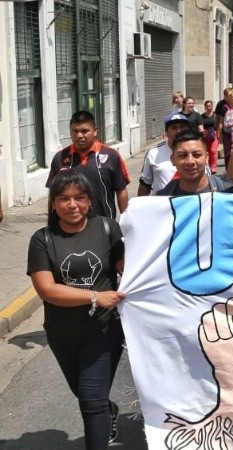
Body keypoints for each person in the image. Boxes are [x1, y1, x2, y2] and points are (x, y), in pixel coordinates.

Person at [27, 169, 126, 448]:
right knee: (83, 393)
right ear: (53, 203)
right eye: (64, 199)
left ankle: (102, 421)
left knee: (91, 402)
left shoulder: (107, 228)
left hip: (103, 329)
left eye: (79, 198)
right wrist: (96, 296)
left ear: (90, 201)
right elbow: (47, 290)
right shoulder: (42, 239)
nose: (72, 205)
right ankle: (110, 411)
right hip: (62, 333)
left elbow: (128, 271)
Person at [46, 111, 130, 219]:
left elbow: (121, 189)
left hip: (102, 225)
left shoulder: (111, 156)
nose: (79, 136)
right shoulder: (60, 158)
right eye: (75, 131)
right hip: (69, 226)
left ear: (95, 131)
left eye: (84, 131)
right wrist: (52, 220)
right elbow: (52, 193)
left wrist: (126, 220)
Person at [156, 129, 233, 196]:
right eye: (183, 155)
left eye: (197, 155)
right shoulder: (160, 201)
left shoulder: (230, 194)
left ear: (206, 158)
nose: (190, 161)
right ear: (173, 160)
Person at [138, 114, 190, 196]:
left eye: (182, 127)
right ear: (166, 132)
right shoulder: (153, 153)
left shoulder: (196, 153)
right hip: (161, 206)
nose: (179, 131)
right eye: (174, 128)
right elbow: (144, 185)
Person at [214, 86, 233, 167]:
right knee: (228, 153)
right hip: (226, 133)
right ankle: (228, 171)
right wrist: (220, 136)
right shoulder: (224, 108)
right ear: (230, 98)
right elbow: (221, 123)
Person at [201, 100, 219, 174]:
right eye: (207, 106)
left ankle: (213, 167)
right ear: (205, 107)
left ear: (212, 106)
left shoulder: (215, 116)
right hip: (205, 135)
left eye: (210, 106)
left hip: (213, 135)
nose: (209, 107)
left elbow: (218, 126)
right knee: (206, 151)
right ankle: (207, 165)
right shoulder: (201, 116)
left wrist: (219, 135)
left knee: (213, 151)